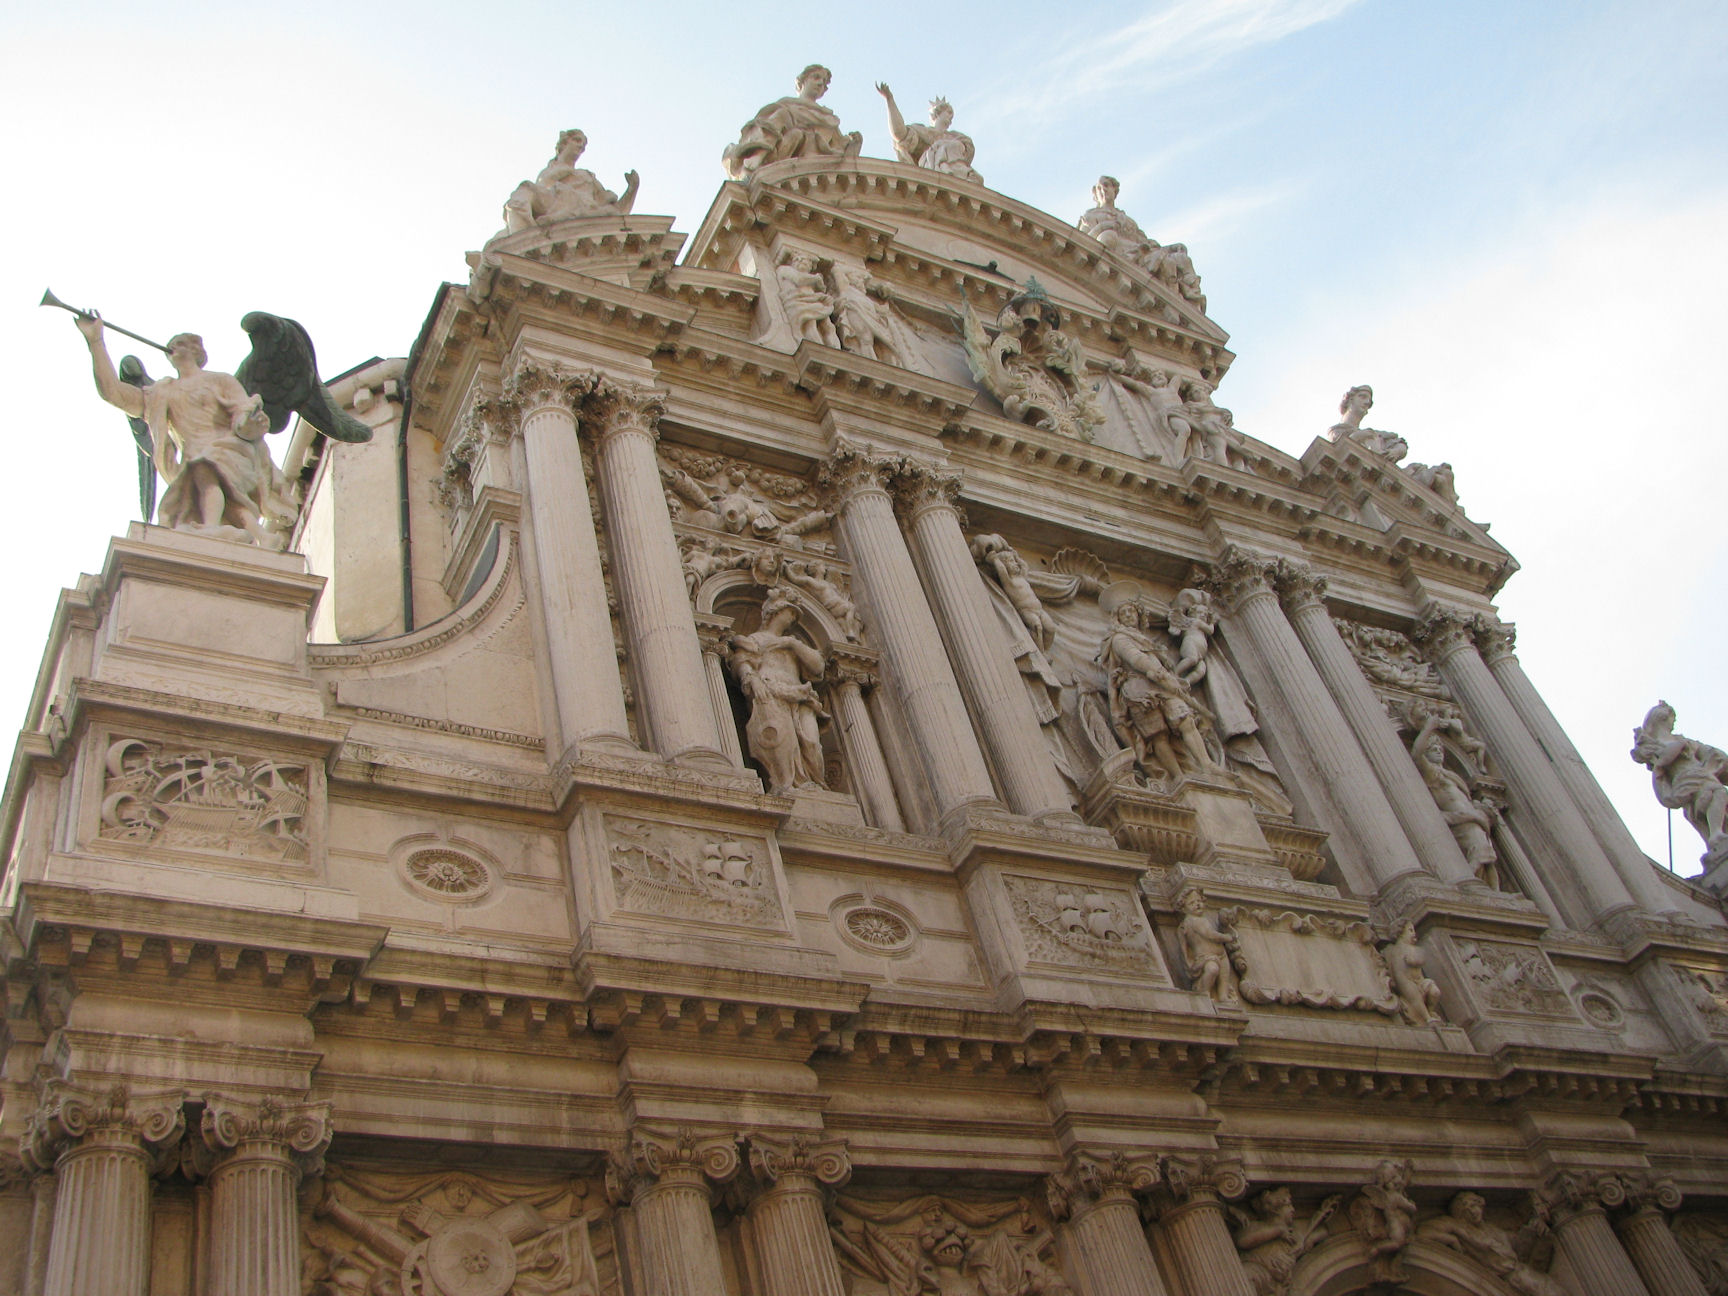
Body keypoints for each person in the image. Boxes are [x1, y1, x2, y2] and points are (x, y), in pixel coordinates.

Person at [74, 313, 293, 547]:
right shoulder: (162, 393)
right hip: (195, 461)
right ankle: (258, 535)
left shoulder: (220, 381)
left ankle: (212, 527)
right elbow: (113, 393)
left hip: (232, 453)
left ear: (195, 350)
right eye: (172, 345)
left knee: (208, 467)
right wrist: (95, 341)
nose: (173, 347)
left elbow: (243, 414)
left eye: (180, 343)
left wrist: (251, 422)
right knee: (216, 484)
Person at [1099, 601, 1217, 783]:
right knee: (1157, 735)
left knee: (1186, 720)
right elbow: (1134, 657)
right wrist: (1155, 671)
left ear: (1139, 615)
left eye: (1132, 611)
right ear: (1118, 619)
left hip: (1163, 684)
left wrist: (1167, 677)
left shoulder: (1143, 638)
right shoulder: (1119, 638)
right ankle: (1177, 776)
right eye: (1123, 613)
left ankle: (1207, 765)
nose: (1129, 615)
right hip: (1139, 690)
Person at [727, 588, 828, 794]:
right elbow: (741, 661)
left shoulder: (793, 643)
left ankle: (813, 782)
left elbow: (818, 667)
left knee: (812, 743)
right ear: (775, 611)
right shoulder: (755, 639)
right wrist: (751, 680)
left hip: (801, 696)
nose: (793, 619)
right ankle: (785, 784)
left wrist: (792, 643)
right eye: (791, 613)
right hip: (770, 693)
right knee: (782, 739)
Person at [722, 65, 862, 179]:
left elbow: (840, 148)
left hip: (809, 158)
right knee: (785, 119)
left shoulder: (828, 117)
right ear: (802, 81)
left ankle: (759, 157)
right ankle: (759, 154)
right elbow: (764, 124)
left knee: (795, 133)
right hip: (782, 153)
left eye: (824, 82)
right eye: (816, 77)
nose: (820, 83)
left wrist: (854, 143)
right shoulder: (786, 104)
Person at [501, 129, 637, 234]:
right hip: (554, 207)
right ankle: (523, 240)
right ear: (564, 142)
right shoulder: (549, 173)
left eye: (583, 145)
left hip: (584, 211)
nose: (581, 146)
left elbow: (617, 212)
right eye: (577, 140)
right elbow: (543, 186)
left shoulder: (587, 176)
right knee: (521, 194)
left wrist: (632, 189)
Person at [875, 85, 983, 183]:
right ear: (937, 113)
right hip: (931, 181)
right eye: (949, 112)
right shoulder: (922, 132)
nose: (951, 117)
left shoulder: (959, 138)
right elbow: (899, 134)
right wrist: (890, 100)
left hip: (961, 177)